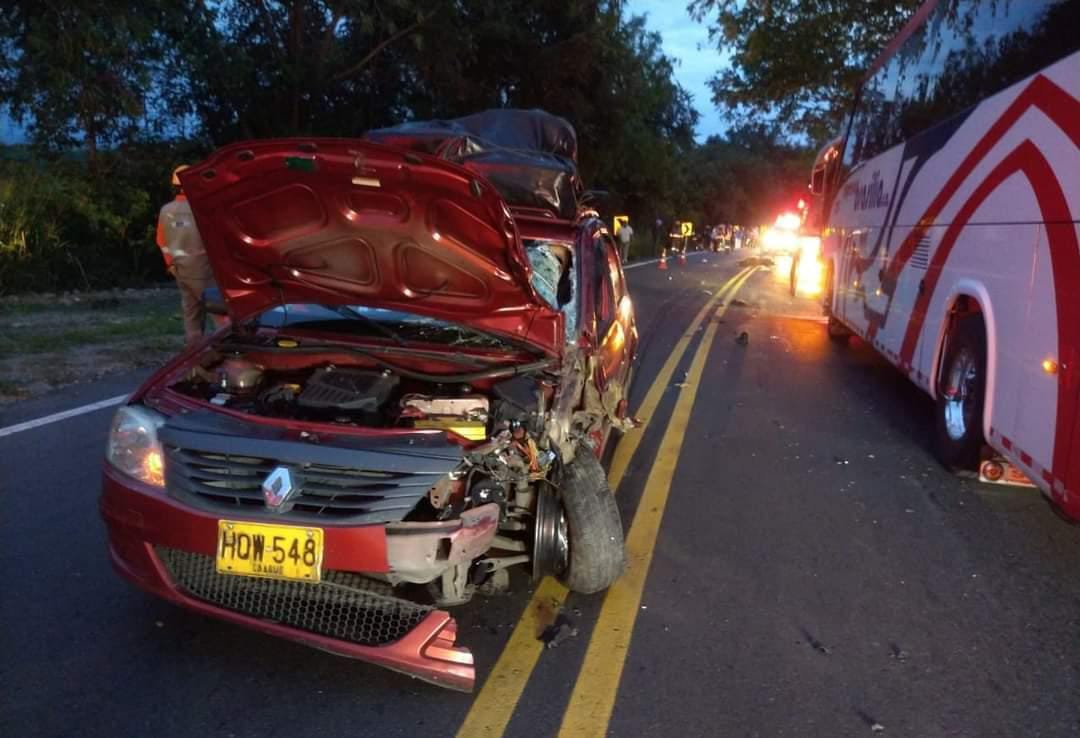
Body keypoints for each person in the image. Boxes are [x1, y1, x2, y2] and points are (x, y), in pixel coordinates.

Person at [157, 165, 215, 345]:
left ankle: (193, 358)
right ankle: (224, 361)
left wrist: (171, 265)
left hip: (180, 270)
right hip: (204, 270)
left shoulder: (166, 210)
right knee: (220, 316)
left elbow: (161, 241)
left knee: (191, 316)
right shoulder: (203, 207)